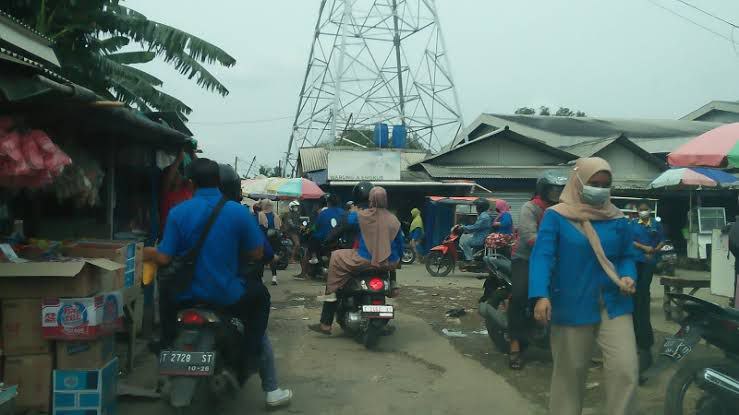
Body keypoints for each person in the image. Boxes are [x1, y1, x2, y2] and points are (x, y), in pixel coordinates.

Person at [529, 157, 638, 415]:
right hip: (572, 302)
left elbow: (627, 256)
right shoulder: (556, 216)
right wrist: (540, 295)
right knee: (570, 374)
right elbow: (542, 256)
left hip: (614, 302)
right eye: (594, 183)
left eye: (605, 184)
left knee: (626, 369)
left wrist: (628, 275)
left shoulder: (618, 218)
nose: (600, 188)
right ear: (578, 183)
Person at [144, 158, 270, 371]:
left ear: (191, 183)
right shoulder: (238, 212)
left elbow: (164, 258)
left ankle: (166, 342)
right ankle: (249, 355)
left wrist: (144, 252)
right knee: (261, 297)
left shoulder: (178, 212)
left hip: (184, 296)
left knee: (164, 291)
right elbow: (257, 253)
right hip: (226, 295)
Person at [218, 164, 292, 408]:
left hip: (192, 288)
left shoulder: (184, 210)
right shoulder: (241, 215)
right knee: (258, 321)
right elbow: (262, 250)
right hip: (233, 288)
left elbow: (165, 254)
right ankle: (268, 386)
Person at [308, 186, 403, 335]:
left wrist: (326, 241)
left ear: (371, 200)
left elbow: (341, 227)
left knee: (337, 256)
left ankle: (330, 303)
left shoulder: (360, 216)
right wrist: (397, 261)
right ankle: (393, 284)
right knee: (391, 256)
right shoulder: (394, 220)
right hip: (388, 263)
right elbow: (400, 246)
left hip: (365, 260)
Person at [507, 170, 566, 370]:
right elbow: (529, 236)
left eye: (560, 189)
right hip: (525, 258)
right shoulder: (530, 207)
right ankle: (514, 344)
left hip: (555, 260)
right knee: (520, 294)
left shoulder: (564, 210)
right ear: (543, 189)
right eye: (553, 189)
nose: (557, 193)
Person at [630, 200, 665, 375]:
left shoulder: (656, 225)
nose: (644, 212)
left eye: (646, 210)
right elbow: (631, 241)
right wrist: (644, 247)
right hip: (637, 259)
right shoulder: (632, 225)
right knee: (637, 293)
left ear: (650, 211)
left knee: (643, 292)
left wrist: (654, 250)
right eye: (641, 209)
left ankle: (643, 346)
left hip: (650, 260)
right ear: (637, 211)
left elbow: (662, 239)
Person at [160, 149, 193, 233]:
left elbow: (198, 173)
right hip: (171, 230)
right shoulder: (167, 192)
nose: (178, 175)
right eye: (175, 173)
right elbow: (169, 178)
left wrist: (192, 153)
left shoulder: (187, 190)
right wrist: (178, 160)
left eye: (178, 173)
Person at [259, 199, 283, 285]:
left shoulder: (260, 214)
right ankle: (274, 277)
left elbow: (260, 226)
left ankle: (261, 278)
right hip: (274, 239)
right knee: (272, 258)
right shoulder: (275, 215)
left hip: (264, 239)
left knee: (261, 258)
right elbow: (279, 227)